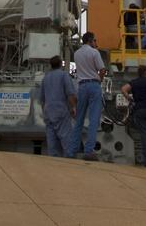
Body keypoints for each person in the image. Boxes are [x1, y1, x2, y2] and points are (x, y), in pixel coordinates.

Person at [73, 31, 106, 161]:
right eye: (95, 41)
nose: (96, 43)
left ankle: (73, 149)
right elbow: (102, 70)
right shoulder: (94, 52)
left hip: (81, 86)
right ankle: (88, 151)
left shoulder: (76, 54)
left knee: (79, 119)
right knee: (93, 119)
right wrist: (99, 80)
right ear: (91, 40)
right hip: (93, 85)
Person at [39, 55, 77, 157]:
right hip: (61, 111)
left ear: (51, 65)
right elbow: (70, 94)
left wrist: (45, 111)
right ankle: (69, 164)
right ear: (61, 64)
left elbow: (42, 99)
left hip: (48, 112)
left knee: (52, 144)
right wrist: (74, 108)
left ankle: (53, 165)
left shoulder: (45, 78)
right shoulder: (64, 75)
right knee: (66, 141)